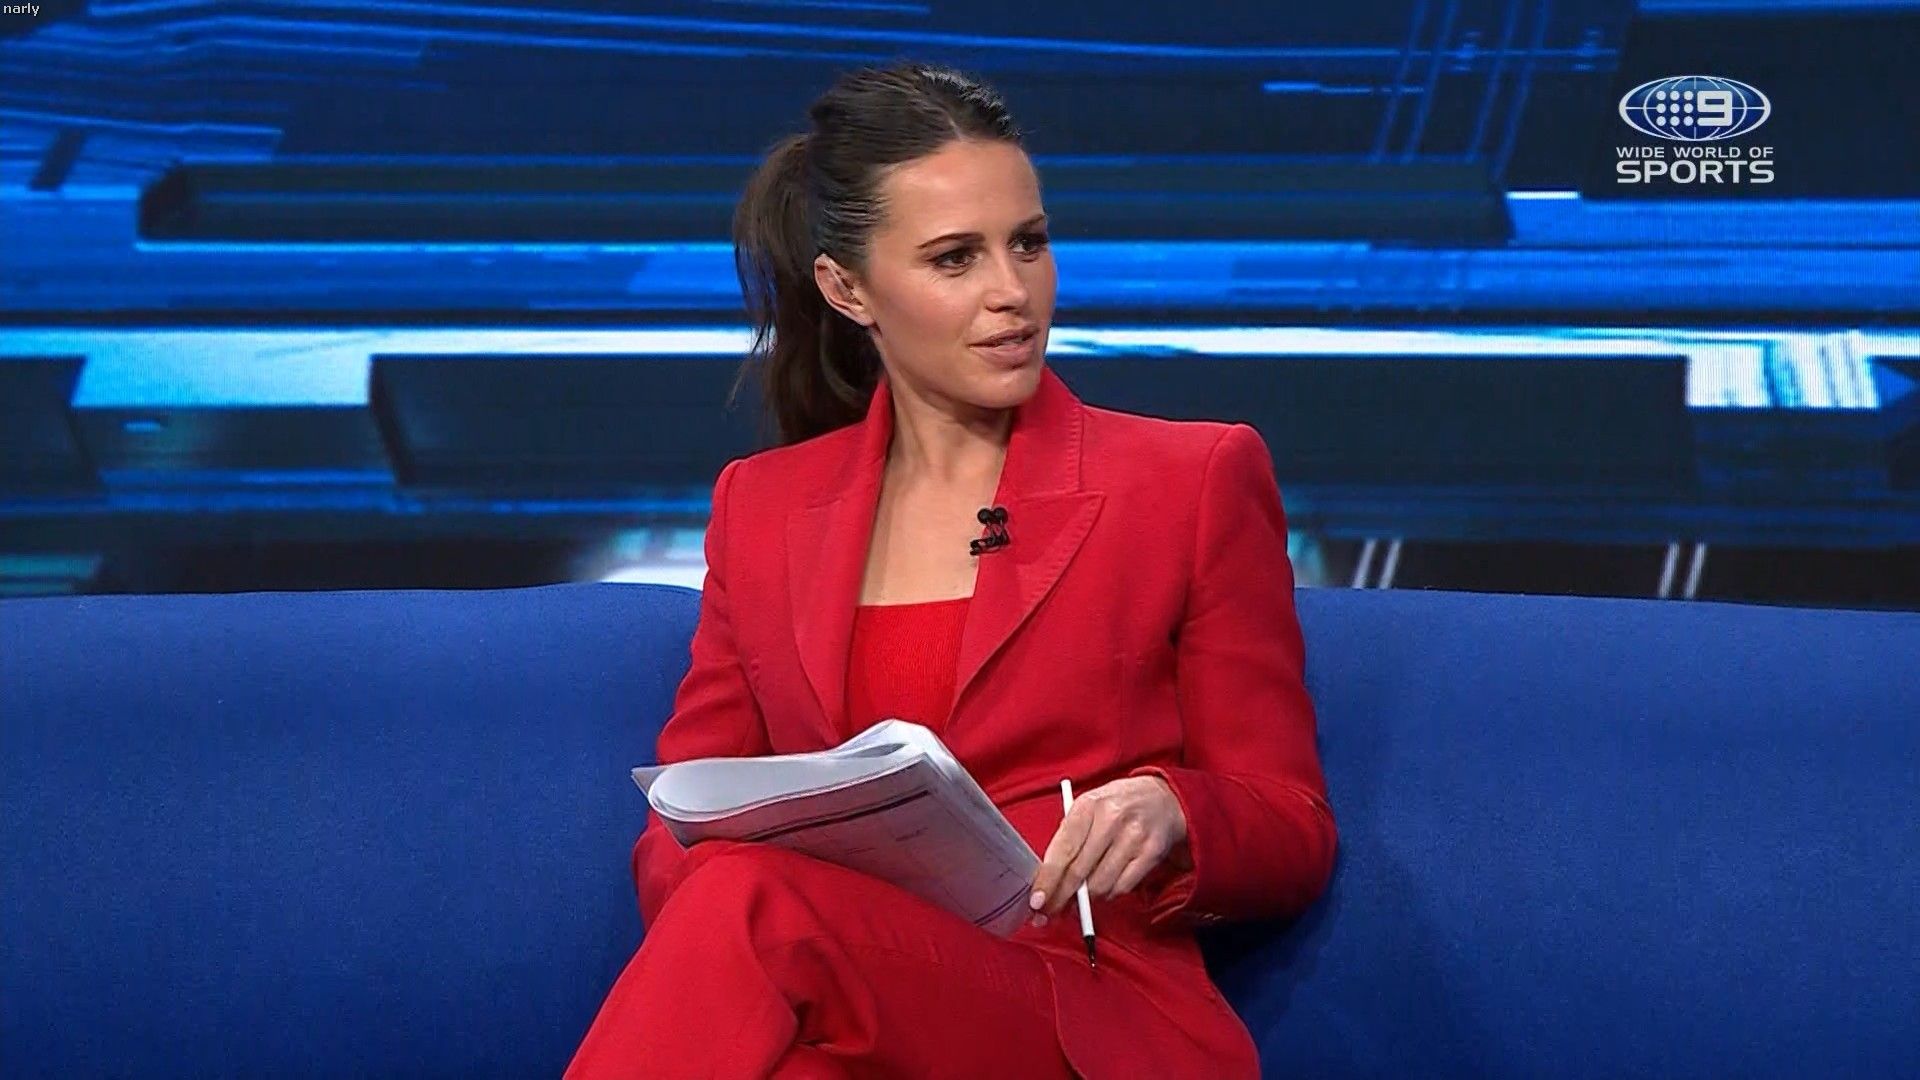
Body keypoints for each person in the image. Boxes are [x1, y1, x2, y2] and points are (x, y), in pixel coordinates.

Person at [565, 60, 1337, 1079]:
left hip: (1082, 1008)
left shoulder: (1190, 480)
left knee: (748, 902)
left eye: (1029, 243)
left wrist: (1173, 808)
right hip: (851, 995)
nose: (1012, 293)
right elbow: (682, 824)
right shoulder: (762, 509)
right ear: (847, 289)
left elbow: (1290, 824)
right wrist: (777, 890)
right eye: (955, 259)